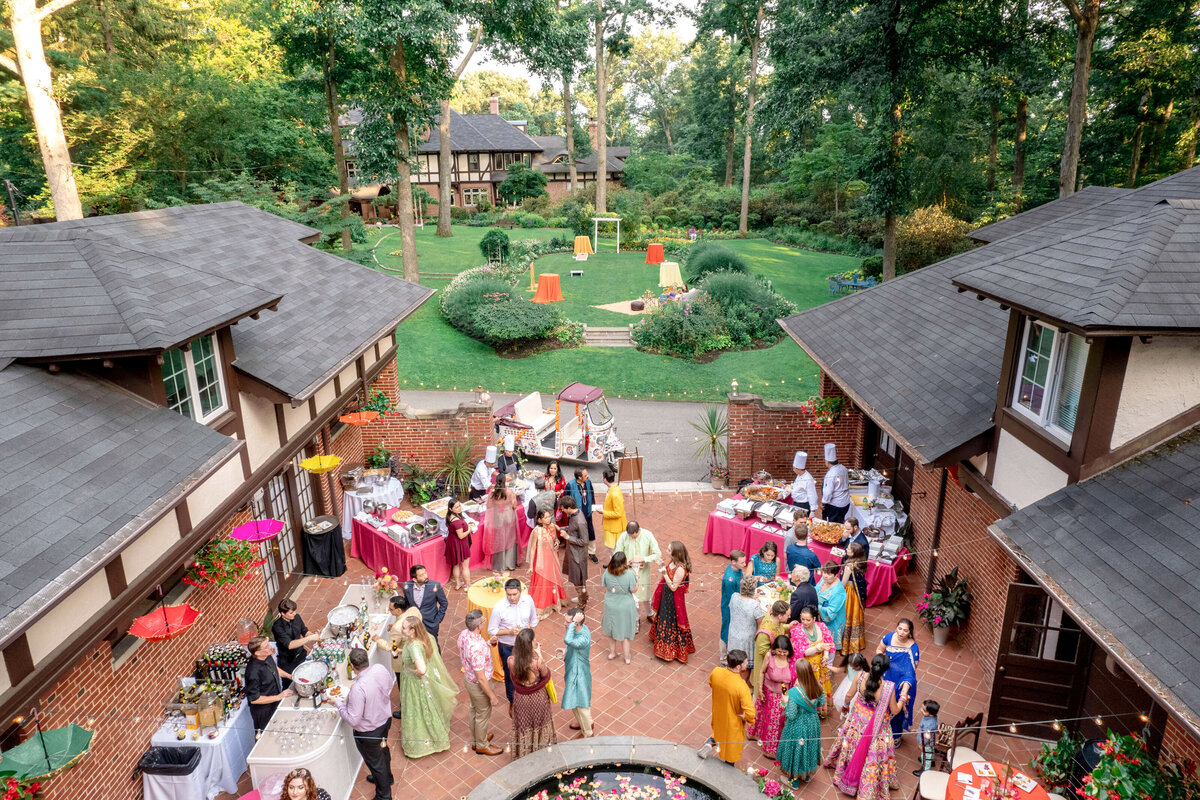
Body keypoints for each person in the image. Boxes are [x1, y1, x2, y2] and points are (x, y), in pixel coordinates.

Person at [823, 653, 907, 799]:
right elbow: (894, 710)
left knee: (852, 744)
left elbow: (849, 696)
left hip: (857, 720)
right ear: (885, 670)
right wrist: (903, 698)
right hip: (877, 726)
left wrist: (846, 706)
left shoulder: (860, 676)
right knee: (871, 753)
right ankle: (867, 784)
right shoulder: (888, 687)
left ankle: (844, 771)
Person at [394, 616, 458, 758]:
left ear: (412, 630)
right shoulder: (417, 640)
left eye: (404, 627)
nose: (401, 629)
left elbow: (422, 670)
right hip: (413, 681)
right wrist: (400, 652)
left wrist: (411, 671)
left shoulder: (414, 646)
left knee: (418, 710)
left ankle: (424, 742)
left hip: (415, 684)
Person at [335, 648, 395, 798]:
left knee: (376, 763)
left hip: (369, 732)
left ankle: (384, 796)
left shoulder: (358, 689)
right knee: (383, 750)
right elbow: (388, 686)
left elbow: (353, 720)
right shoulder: (379, 669)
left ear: (352, 666)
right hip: (385, 721)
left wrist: (338, 704)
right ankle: (388, 778)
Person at [457, 610, 503, 756]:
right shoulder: (476, 648)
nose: (485, 622)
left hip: (469, 680)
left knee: (474, 709)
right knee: (483, 714)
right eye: (483, 621)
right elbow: (481, 678)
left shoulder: (464, 634)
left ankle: (477, 738)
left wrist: (488, 644)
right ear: (478, 626)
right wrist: (492, 696)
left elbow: (471, 654)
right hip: (478, 684)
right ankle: (482, 745)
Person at [487, 579, 538, 704]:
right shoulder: (499, 608)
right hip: (507, 646)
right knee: (510, 675)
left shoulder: (528, 600)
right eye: (508, 594)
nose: (511, 597)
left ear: (520, 592)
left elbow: (534, 621)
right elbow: (492, 630)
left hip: (525, 645)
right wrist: (509, 631)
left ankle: (526, 696)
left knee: (527, 670)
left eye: (514, 594)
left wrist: (533, 639)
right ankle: (512, 701)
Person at [776, 657, 826, 786]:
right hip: (813, 723)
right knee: (808, 747)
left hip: (798, 725)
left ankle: (794, 781)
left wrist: (786, 702)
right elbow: (822, 702)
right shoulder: (818, 686)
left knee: (796, 750)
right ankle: (806, 775)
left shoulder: (793, 693)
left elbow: (791, 714)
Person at [508, 628, 557, 758]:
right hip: (538, 698)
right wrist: (540, 655)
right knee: (540, 724)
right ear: (530, 644)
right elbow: (546, 676)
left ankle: (524, 753)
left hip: (521, 699)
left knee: (524, 725)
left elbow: (512, 679)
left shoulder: (511, 661)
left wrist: (522, 689)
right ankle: (541, 751)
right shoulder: (536, 663)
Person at [703, 650, 756, 766]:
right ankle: (727, 769)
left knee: (719, 732)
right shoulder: (742, 687)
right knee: (731, 748)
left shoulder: (716, 671)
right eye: (746, 663)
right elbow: (751, 714)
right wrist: (744, 716)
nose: (747, 664)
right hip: (733, 720)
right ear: (738, 667)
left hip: (718, 712)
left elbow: (711, 682)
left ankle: (710, 743)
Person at [649, 541, 696, 663]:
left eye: (669, 550)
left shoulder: (680, 569)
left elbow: (674, 587)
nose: (667, 551)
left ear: (676, 553)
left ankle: (670, 649)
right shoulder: (673, 562)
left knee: (671, 619)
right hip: (666, 596)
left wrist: (663, 572)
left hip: (673, 599)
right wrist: (664, 565)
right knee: (663, 615)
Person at [749, 635, 795, 758]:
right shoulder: (770, 655)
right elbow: (762, 672)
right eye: (779, 651)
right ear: (774, 649)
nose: (781, 654)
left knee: (776, 721)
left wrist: (787, 697)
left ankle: (772, 748)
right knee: (766, 717)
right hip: (768, 690)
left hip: (783, 692)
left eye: (784, 652)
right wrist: (760, 689)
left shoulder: (792, 661)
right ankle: (759, 738)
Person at [876, 618, 920, 745]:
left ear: (909, 632)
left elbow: (911, 672)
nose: (901, 632)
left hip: (901, 683)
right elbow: (879, 650)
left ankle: (895, 736)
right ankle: (879, 730)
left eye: (905, 630)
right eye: (899, 628)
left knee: (897, 709)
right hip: (885, 677)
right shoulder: (888, 637)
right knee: (880, 704)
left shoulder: (913, 648)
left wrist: (904, 692)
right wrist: (882, 659)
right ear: (896, 628)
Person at [373, 595, 416, 720]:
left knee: (403, 686)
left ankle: (406, 710)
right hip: (412, 651)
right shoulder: (412, 611)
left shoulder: (398, 628)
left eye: (391, 609)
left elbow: (393, 648)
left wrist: (379, 640)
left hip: (402, 661)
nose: (390, 611)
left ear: (398, 610)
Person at [789, 606, 836, 718]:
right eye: (803, 619)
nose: (805, 622)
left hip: (821, 664)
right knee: (808, 687)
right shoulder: (797, 631)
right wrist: (819, 647)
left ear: (814, 619)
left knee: (821, 686)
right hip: (807, 666)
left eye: (808, 620)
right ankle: (809, 710)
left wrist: (825, 656)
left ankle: (821, 709)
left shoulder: (822, 627)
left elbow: (828, 643)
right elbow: (804, 652)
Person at [614, 521, 662, 620]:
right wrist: (627, 563)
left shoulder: (648, 535)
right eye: (630, 536)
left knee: (645, 594)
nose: (632, 538)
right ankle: (636, 618)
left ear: (639, 530)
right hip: (628, 571)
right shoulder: (624, 536)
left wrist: (643, 559)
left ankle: (649, 613)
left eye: (634, 536)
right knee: (632, 597)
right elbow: (617, 554)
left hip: (643, 572)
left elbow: (658, 554)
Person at [245, 635, 292, 732]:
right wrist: (279, 696)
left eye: (268, 644)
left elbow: (274, 669)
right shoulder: (253, 672)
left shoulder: (267, 656)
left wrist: (290, 676)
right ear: (257, 653)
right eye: (266, 647)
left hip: (275, 702)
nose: (270, 647)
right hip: (264, 712)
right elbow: (254, 699)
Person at [600, 551, 638, 664]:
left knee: (611, 630)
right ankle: (627, 657)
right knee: (625, 633)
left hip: (610, 604)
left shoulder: (607, 572)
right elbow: (633, 590)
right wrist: (637, 577)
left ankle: (612, 653)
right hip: (625, 606)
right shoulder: (630, 574)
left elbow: (606, 585)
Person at [561, 608, 594, 737]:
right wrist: (565, 651)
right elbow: (570, 644)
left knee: (581, 704)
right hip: (573, 670)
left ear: (577, 623)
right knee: (577, 702)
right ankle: (586, 723)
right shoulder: (581, 628)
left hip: (578, 674)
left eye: (568, 622)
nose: (565, 624)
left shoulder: (583, 637)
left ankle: (588, 732)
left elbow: (568, 640)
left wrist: (573, 622)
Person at [528, 508, 566, 618]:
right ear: (540, 520)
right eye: (546, 517)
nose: (549, 519)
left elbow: (556, 540)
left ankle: (554, 602)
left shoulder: (552, 527)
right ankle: (542, 607)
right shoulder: (536, 531)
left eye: (549, 516)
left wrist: (557, 543)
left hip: (552, 558)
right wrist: (531, 566)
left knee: (554, 578)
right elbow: (532, 549)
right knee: (543, 582)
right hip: (541, 560)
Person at [751, 601, 794, 697]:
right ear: (779, 616)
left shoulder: (775, 620)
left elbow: (781, 627)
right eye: (787, 615)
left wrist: (789, 626)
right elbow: (762, 650)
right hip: (764, 665)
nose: (789, 617)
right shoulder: (764, 633)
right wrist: (781, 651)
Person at [271, 599, 318, 681]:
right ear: (283, 614)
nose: (294, 614)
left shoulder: (297, 617)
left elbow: (304, 631)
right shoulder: (277, 627)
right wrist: (309, 638)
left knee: (308, 677)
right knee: (291, 685)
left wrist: (313, 635)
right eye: (291, 613)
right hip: (288, 663)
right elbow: (290, 645)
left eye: (294, 611)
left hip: (301, 656)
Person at [727, 576, 765, 669]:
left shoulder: (734, 596)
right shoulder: (754, 605)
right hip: (747, 639)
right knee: (745, 666)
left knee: (733, 662)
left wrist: (752, 597)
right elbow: (761, 621)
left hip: (733, 634)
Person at [402, 565, 448, 642]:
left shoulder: (435, 586)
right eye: (421, 575)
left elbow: (444, 603)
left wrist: (437, 620)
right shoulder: (406, 586)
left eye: (425, 573)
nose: (425, 576)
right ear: (414, 579)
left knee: (433, 645)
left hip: (430, 623)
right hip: (414, 624)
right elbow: (407, 603)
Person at [559, 496, 589, 606]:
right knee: (579, 580)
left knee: (579, 581)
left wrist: (568, 537)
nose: (562, 510)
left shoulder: (580, 521)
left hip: (578, 556)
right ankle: (583, 597)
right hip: (573, 552)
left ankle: (582, 605)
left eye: (563, 508)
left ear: (569, 508)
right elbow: (573, 529)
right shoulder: (573, 514)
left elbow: (584, 541)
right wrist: (563, 528)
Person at [484, 479, 520, 572]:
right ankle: (510, 564)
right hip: (509, 517)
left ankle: (499, 565)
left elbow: (488, 506)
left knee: (499, 540)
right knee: (510, 539)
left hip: (497, 518)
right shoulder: (510, 492)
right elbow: (514, 505)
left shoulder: (493, 493)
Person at [840, 542, 869, 655]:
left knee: (847, 615)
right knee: (855, 616)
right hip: (857, 594)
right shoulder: (861, 562)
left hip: (849, 593)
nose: (847, 549)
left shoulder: (849, 566)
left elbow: (843, 583)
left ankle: (846, 645)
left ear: (854, 553)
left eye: (849, 549)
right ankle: (857, 642)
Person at [719, 550, 747, 662]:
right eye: (742, 563)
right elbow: (733, 599)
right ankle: (723, 657)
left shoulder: (737, 569)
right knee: (726, 629)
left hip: (735, 603)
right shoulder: (729, 580)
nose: (744, 565)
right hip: (729, 608)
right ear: (733, 562)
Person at [566, 468, 598, 561]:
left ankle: (592, 553)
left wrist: (593, 507)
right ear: (579, 477)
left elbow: (592, 495)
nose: (587, 476)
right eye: (585, 475)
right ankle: (576, 554)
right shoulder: (570, 485)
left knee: (590, 532)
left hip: (587, 513)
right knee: (575, 534)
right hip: (575, 516)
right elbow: (565, 499)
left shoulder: (588, 482)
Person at [445, 497, 475, 590]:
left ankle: (458, 583)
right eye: (456, 507)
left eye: (459, 506)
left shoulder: (450, 516)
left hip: (452, 543)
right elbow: (461, 536)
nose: (459, 508)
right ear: (451, 509)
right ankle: (468, 585)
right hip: (460, 544)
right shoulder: (457, 521)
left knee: (456, 564)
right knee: (465, 566)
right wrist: (469, 529)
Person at [817, 561, 848, 646]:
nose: (825, 576)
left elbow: (831, 613)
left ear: (835, 575)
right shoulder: (823, 579)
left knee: (829, 645)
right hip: (819, 614)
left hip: (832, 621)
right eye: (824, 572)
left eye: (829, 574)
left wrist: (817, 607)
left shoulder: (838, 591)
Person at [821, 443, 852, 523]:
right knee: (840, 523)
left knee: (829, 525)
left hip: (834, 505)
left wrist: (823, 503)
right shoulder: (843, 468)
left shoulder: (831, 474)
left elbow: (828, 493)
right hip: (845, 503)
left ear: (827, 462)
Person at [833, 652, 869, 718]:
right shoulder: (848, 666)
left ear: (861, 664)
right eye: (851, 666)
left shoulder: (865, 671)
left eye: (855, 667)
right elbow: (838, 670)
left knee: (853, 704)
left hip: (857, 687)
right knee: (844, 700)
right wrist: (827, 666)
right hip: (847, 684)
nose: (852, 668)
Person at [598, 469, 626, 549]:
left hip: (614, 528)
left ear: (605, 479)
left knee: (613, 550)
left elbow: (618, 513)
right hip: (613, 527)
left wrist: (603, 512)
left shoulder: (615, 494)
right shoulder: (614, 489)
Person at [790, 450, 820, 517]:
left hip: (803, 505)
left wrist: (812, 511)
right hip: (796, 503)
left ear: (798, 469)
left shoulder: (808, 479)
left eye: (794, 468)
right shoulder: (799, 475)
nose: (793, 470)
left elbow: (812, 495)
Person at [915, 699, 941, 775]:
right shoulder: (932, 717)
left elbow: (927, 737)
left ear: (930, 713)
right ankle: (931, 761)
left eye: (924, 710)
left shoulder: (929, 724)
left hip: (926, 743)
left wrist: (922, 745)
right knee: (930, 751)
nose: (921, 710)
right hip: (930, 742)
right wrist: (918, 730)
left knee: (926, 754)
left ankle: (925, 770)